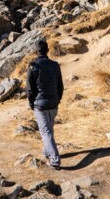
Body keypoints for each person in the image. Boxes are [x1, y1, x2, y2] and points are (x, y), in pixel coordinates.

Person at [26, 39, 64, 169]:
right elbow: (60, 86)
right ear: (47, 50)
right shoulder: (55, 65)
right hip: (53, 103)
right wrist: (57, 100)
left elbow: (30, 89)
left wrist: (31, 103)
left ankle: (55, 160)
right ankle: (47, 152)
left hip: (40, 105)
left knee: (45, 132)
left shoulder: (33, 66)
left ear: (36, 52)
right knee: (49, 130)